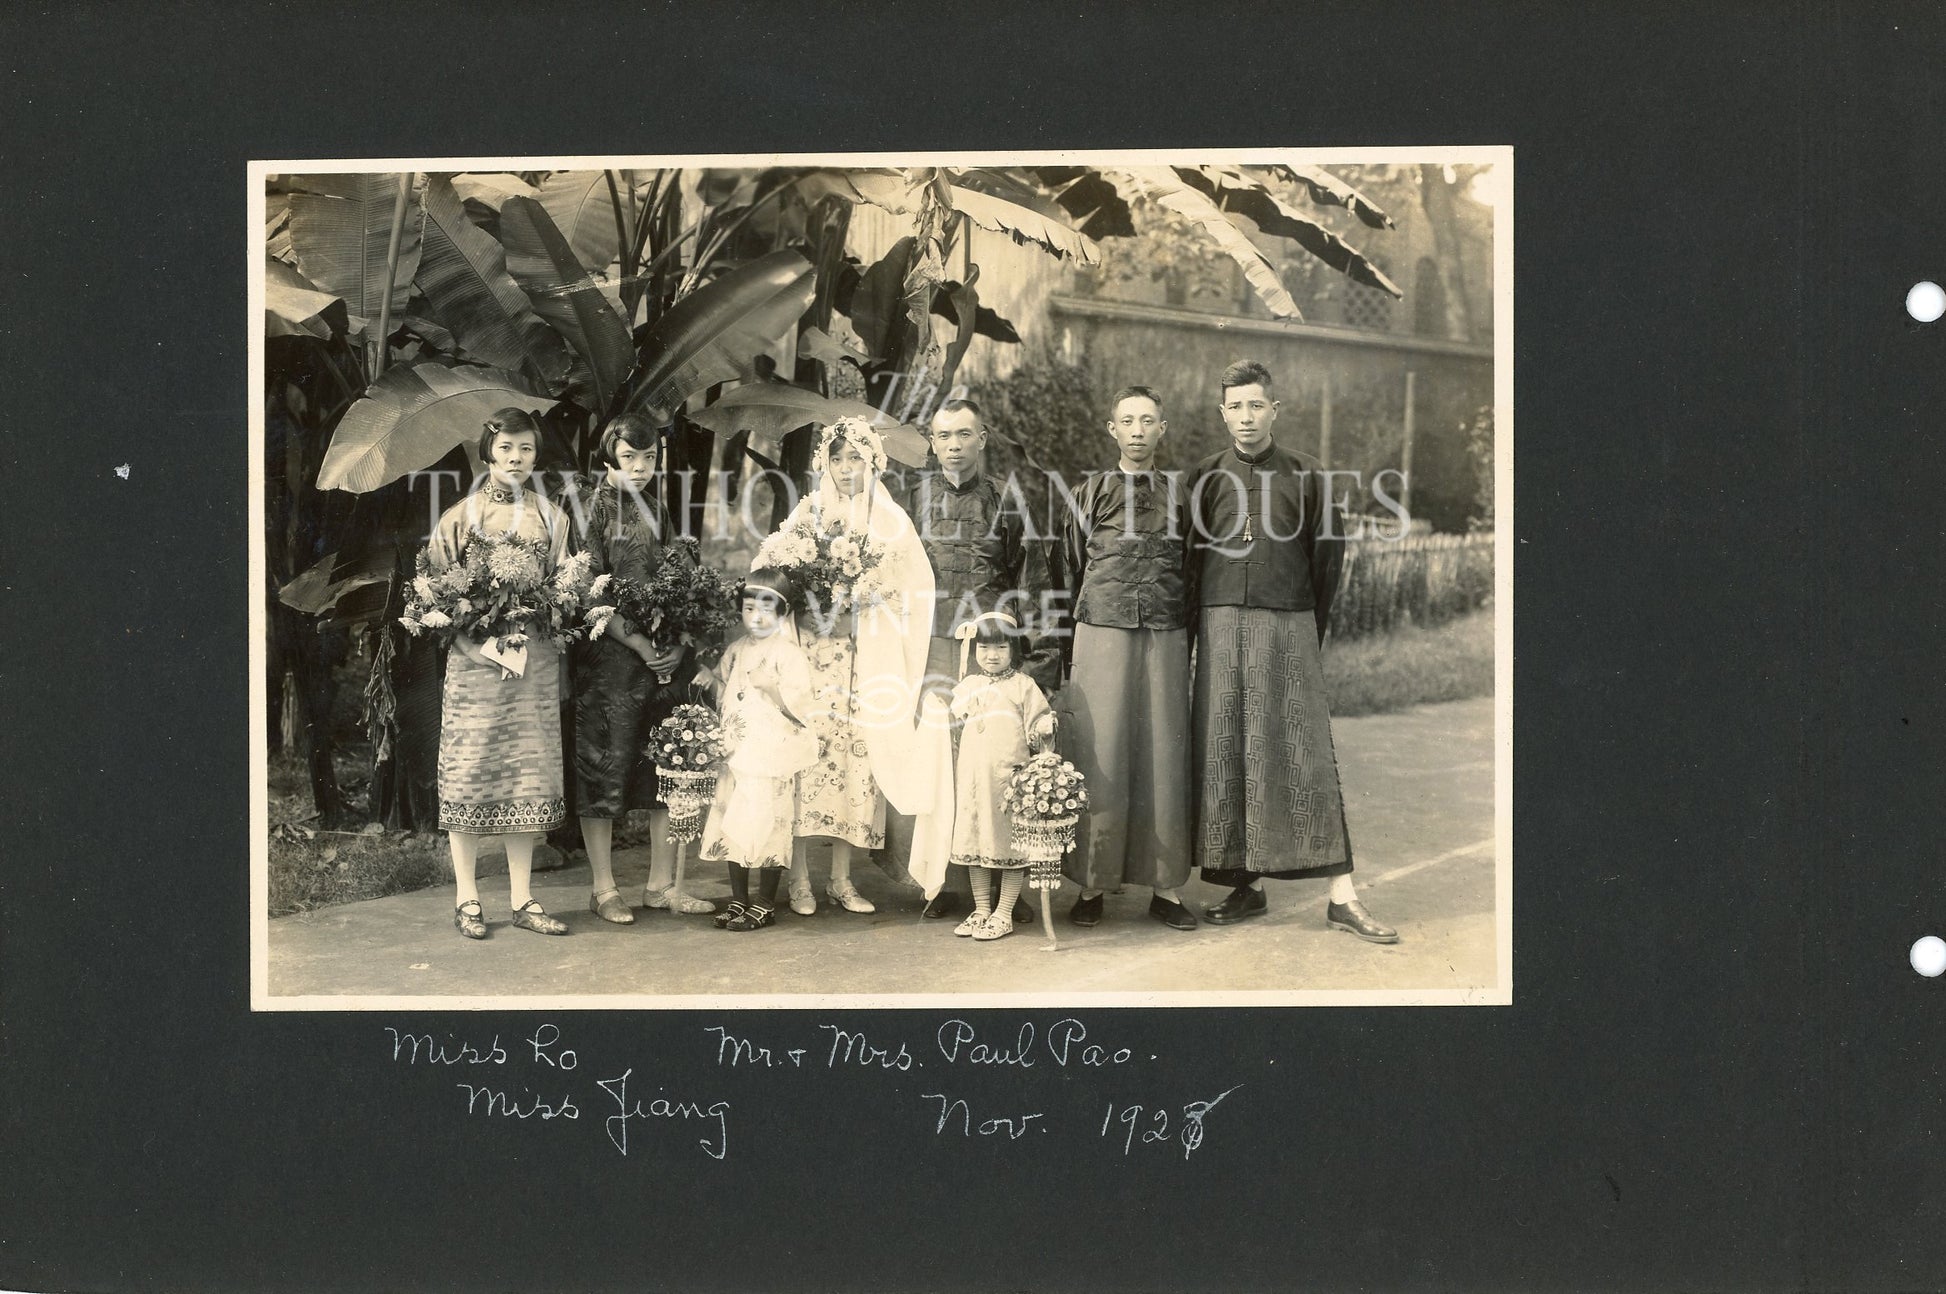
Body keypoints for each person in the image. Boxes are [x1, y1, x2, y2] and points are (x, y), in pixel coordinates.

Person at [1184, 360, 1397, 942]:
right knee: (1228, 753)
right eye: (1236, 406)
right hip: (1221, 623)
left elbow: (1329, 561)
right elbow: (1189, 564)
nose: (1246, 417)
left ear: (1274, 409)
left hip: (1289, 624)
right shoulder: (1202, 476)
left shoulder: (1308, 474)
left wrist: (1308, 627)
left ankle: (1341, 895)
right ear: (1222, 411)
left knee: (1301, 752)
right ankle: (1244, 886)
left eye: (1257, 405)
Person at [898, 397, 1057, 922]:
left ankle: (1008, 883)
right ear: (932, 441)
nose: (954, 446)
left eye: (964, 434)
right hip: (932, 650)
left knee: (997, 768)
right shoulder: (912, 500)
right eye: (944, 436)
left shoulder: (1007, 503)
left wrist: (1033, 664)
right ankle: (938, 882)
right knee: (940, 765)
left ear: (982, 439)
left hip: (990, 652)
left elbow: (1030, 583)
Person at [776, 416, 935, 916]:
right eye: (838, 459)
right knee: (806, 759)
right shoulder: (807, 514)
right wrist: (812, 611)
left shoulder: (892, 522)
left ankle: (842, 879)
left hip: (866, 661)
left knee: (855, 762)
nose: (846, 470)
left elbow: (915, 591)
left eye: (856, 459)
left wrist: (866, 609)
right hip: (813, 657)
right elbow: (778, 580)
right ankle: (799, 878)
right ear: (826, 462)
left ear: (873, 464)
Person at [1059, 386, 1198, 932]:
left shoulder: (1184, 495)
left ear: (1163, 428)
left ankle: (1165, 888)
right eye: (1127, 421)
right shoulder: (1088, 492)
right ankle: (1093, 884)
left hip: (1164, 632)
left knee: (1163, 752)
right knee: (1102, 750)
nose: (1137, 430)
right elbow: (1067, 566)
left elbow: (1195, 569)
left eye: (1148, 421)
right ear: (1110, 428)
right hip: (1101, 631)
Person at [433, 408, 575, 939]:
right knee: (470, 771)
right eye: (506, 449)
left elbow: (566, 587)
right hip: (474, 667)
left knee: (527, 775)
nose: (516, 459)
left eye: (527, 450)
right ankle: (467, 898)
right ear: (488, 453)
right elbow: (437, 595)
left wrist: (547, 614)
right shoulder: (459, 518)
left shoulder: (551, 517)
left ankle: (522, 898)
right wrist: (476, 645)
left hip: (532, 667)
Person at [570, 412, 710, 924]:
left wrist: (675, 642)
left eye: (650, 458)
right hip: (608, 661)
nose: (642, 467)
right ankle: (604, 889)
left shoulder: (656, 508)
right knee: (603, 766)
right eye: (630, 457)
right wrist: (635, 642)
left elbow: (680, 579)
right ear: (610, 455)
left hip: (659, 663)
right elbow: (584, 591)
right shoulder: (588, 508)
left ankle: (659, 885)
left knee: (663, 767)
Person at [697, 570, 817, 931]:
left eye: (767, 610)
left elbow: (804, 707)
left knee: (767, 822)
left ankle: (764, 902)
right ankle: (738, 899)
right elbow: (728, 692)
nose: (757, 617)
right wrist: (711, 679)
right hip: (738, 751)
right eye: (749, 608)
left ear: (782, 614)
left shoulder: (788, 654)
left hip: (771, 755)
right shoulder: (736, 651)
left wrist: (774, 689)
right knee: (734, 821)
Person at [946, 612, 1058, 943]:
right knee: (975, 840)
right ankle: (981, 909)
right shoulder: (969, 685)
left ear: (1013, 650)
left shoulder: (1023, 686)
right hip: (974, 780)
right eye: (984, 647)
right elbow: (957, 727)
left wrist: (1045, 727)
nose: (991, 655)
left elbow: (1037, 731)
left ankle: (1003, 912)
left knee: (1009, 843)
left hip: (1009, 779)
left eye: (1000, 647)